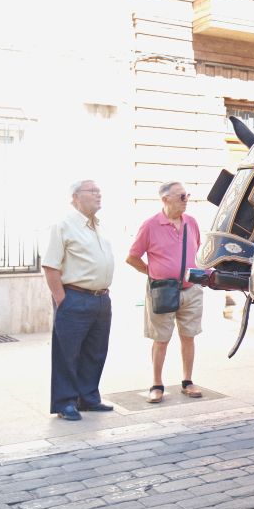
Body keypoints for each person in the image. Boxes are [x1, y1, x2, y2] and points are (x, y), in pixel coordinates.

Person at [41, 180, 115, 421]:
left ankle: (88, 397)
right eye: (92, 191)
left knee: (95, 352)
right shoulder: (63, 226)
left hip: (101, 299)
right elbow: (51, 265)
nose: (98, 194)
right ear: (75, 197)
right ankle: (65, 403)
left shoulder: (99, 226)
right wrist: (61, 300)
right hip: (74, 297)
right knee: (67, 353)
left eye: (99, 190)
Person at [127, 182, 204, 403]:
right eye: (181, 196)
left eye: (186, 195)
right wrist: (153, 273)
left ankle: (187, 381)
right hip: (162, 291)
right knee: (161, 339)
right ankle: (156, 384)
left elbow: (196, 249)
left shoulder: (191, 223)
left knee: (188, 337)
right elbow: (132, 257)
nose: (186, 199)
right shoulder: (150, 225)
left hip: (191, 290)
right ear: (165, 199)